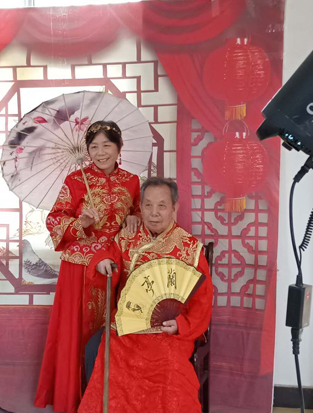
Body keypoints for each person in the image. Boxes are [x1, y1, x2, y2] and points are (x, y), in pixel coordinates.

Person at [78, 177, 213, 413]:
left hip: (169, 332)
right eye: (148, 205)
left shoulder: (190, 248)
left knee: (170, 370)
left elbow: (203, 300)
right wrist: (103, 261)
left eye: (162, 206)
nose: (154, 213)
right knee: (107, 355)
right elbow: (106, 260)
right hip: (128, 329)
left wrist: (181, 325)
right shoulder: (125, 238)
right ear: (140, 207)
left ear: (174, 207)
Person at [35, 120, 141, 413]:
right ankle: (75, 400)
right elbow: (54, 219)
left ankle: (109, 400)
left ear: (119, 147)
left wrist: (134, 216)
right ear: (87, 151)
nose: (100, 152)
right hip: (80, 268)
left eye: (107, 145)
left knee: (115, 330)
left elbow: (136, 211)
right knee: (77, 334)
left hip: (117, 265)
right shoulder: (75, 180)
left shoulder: (132, 181)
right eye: (94, 147)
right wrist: (80, 223)